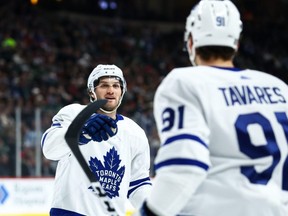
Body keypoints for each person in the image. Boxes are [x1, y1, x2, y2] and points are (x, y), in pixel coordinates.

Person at [136, 0, 288, 215]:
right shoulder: (279, 87)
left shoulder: (185, 82)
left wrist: (149, 212)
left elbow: (185, 165)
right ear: (235, 43)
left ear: (191, 42)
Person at [41, 64, 152, 216]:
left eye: (116, 86)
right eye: (104, 85)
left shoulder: (135, 132)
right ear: (91, 91)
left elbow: (137, 184)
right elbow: (49, 149)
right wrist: (80, 132)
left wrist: (154, 209)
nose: (111, 90)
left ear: (122, 91)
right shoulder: (73, 114)